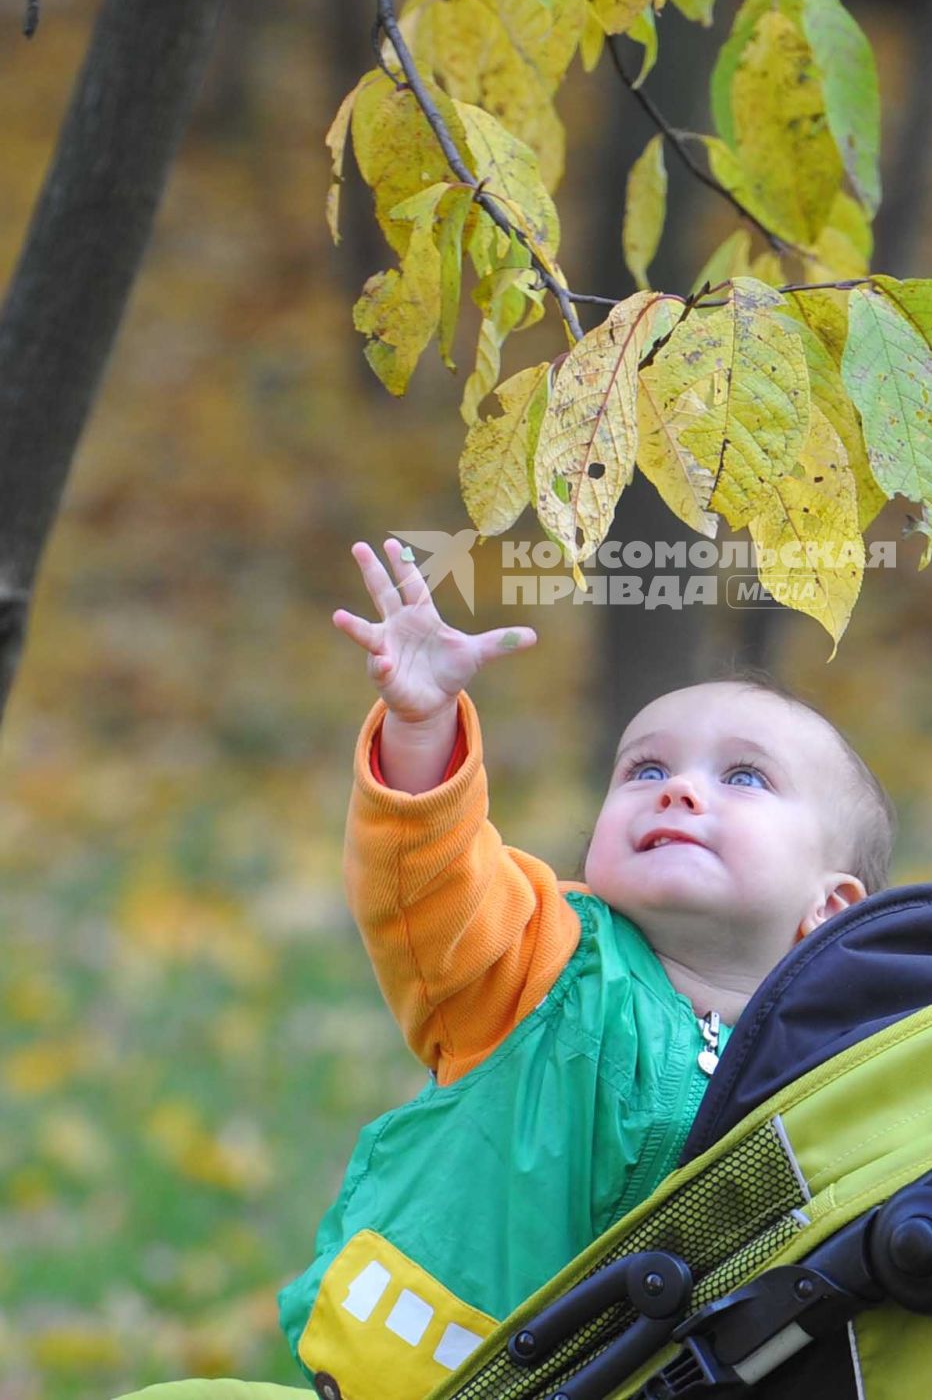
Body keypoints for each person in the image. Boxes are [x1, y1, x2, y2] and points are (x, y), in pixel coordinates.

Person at [278, 539, 895, 1400]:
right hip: (433, 1371)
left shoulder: (834, 1070)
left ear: (830, 907)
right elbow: (429, 884)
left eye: (745, 775)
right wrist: (423, 727)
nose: (678, 789)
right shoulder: (545, 952)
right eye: (645, 767)